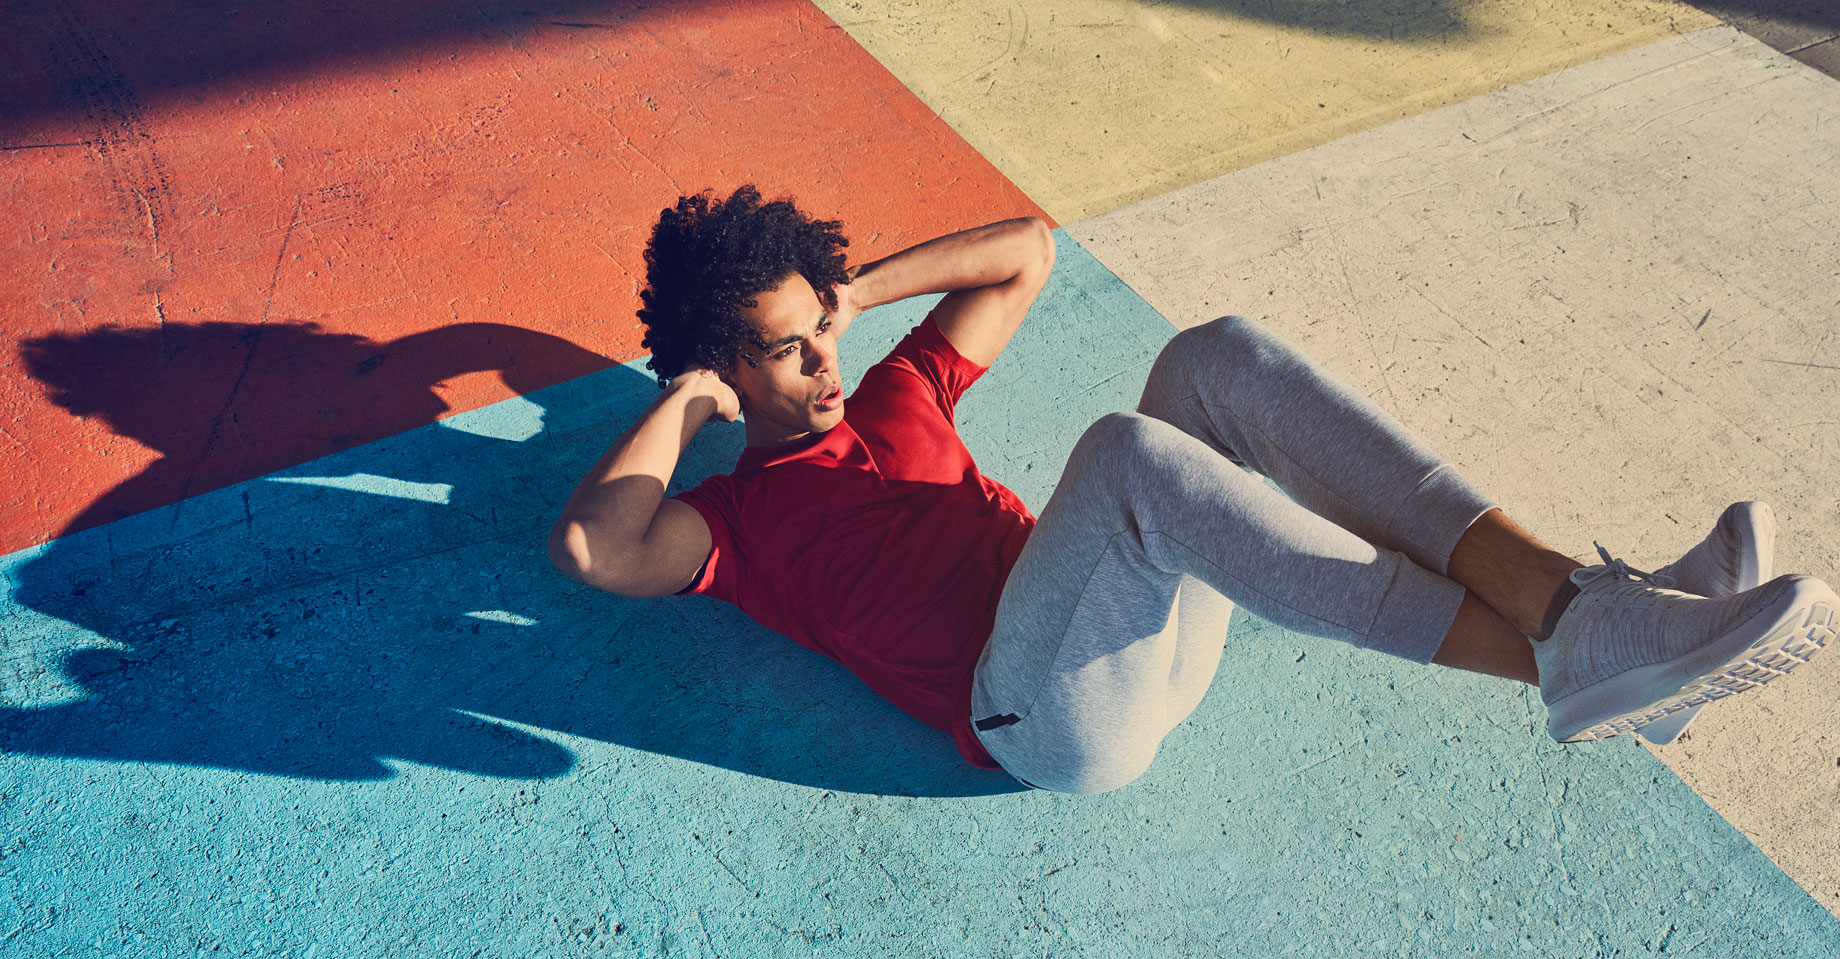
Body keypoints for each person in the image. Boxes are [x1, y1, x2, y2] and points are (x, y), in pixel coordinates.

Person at [549, 186, 1835, 794]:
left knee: (1211, 360)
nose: (826, 363)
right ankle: (1595, 647)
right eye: (787, 351)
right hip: (1043, 724)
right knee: (1125, 457)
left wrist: (848, 292)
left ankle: (1592, 619)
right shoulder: (737, 526)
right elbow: (595, 551)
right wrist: (689, 399)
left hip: (1136, 639)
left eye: (819, 332)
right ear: (728, 368)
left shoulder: (893, 389)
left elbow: (1025, 249)